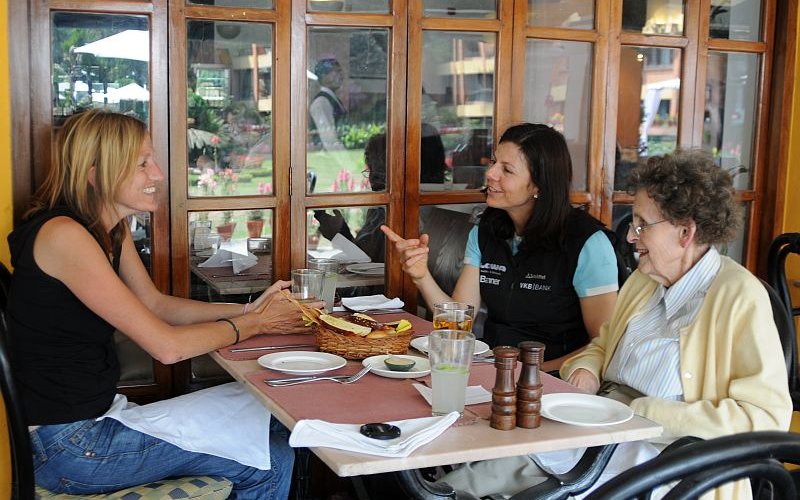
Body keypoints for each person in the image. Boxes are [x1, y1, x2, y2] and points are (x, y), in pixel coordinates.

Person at [442, 149, 793, 499]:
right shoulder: (646, 280)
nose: (630, 236)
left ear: (685, 232)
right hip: (599, 434)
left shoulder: (739, 297)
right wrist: (588, 369)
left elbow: (763, 418)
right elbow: (603, 344)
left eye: (642, 224)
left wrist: (642, 412)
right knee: (460, 484)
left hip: (669, 464)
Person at [6, 109, 310, 498]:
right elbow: (167, 347)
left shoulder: (109, 229)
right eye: (141, 164)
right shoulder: (64, 235)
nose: (158, 175)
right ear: (95, 174)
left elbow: (155, 304)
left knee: (268, 407)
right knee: (270, 453)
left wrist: (250, 310)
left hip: (92, 422)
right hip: (72, 446)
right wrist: (257, 324)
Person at [382, 123, 620, 372]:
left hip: (555, 381)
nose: (491, 173)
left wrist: (530, 374)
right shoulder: (487, 230)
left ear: (539, 185)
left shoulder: (588, 243)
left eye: (506, 169)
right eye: (494, 162)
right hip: (492, 370)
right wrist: (421, 276)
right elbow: (459, 321)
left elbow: (603, 344)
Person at [315, 125, 448, 263]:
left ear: (384, 170)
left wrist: (338, 233)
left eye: (371, 169)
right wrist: (340, 232)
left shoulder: (389, 208)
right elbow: (366, 256)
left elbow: (368, 265)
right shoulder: (444, 198)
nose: (369, 177)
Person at [308, 56, 347, 153]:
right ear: (324, 76)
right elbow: (329, 140)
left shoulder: (331, 99)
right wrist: (347, 163)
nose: (341, 76)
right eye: (336, 72)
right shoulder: (321, 102)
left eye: (340, 72)